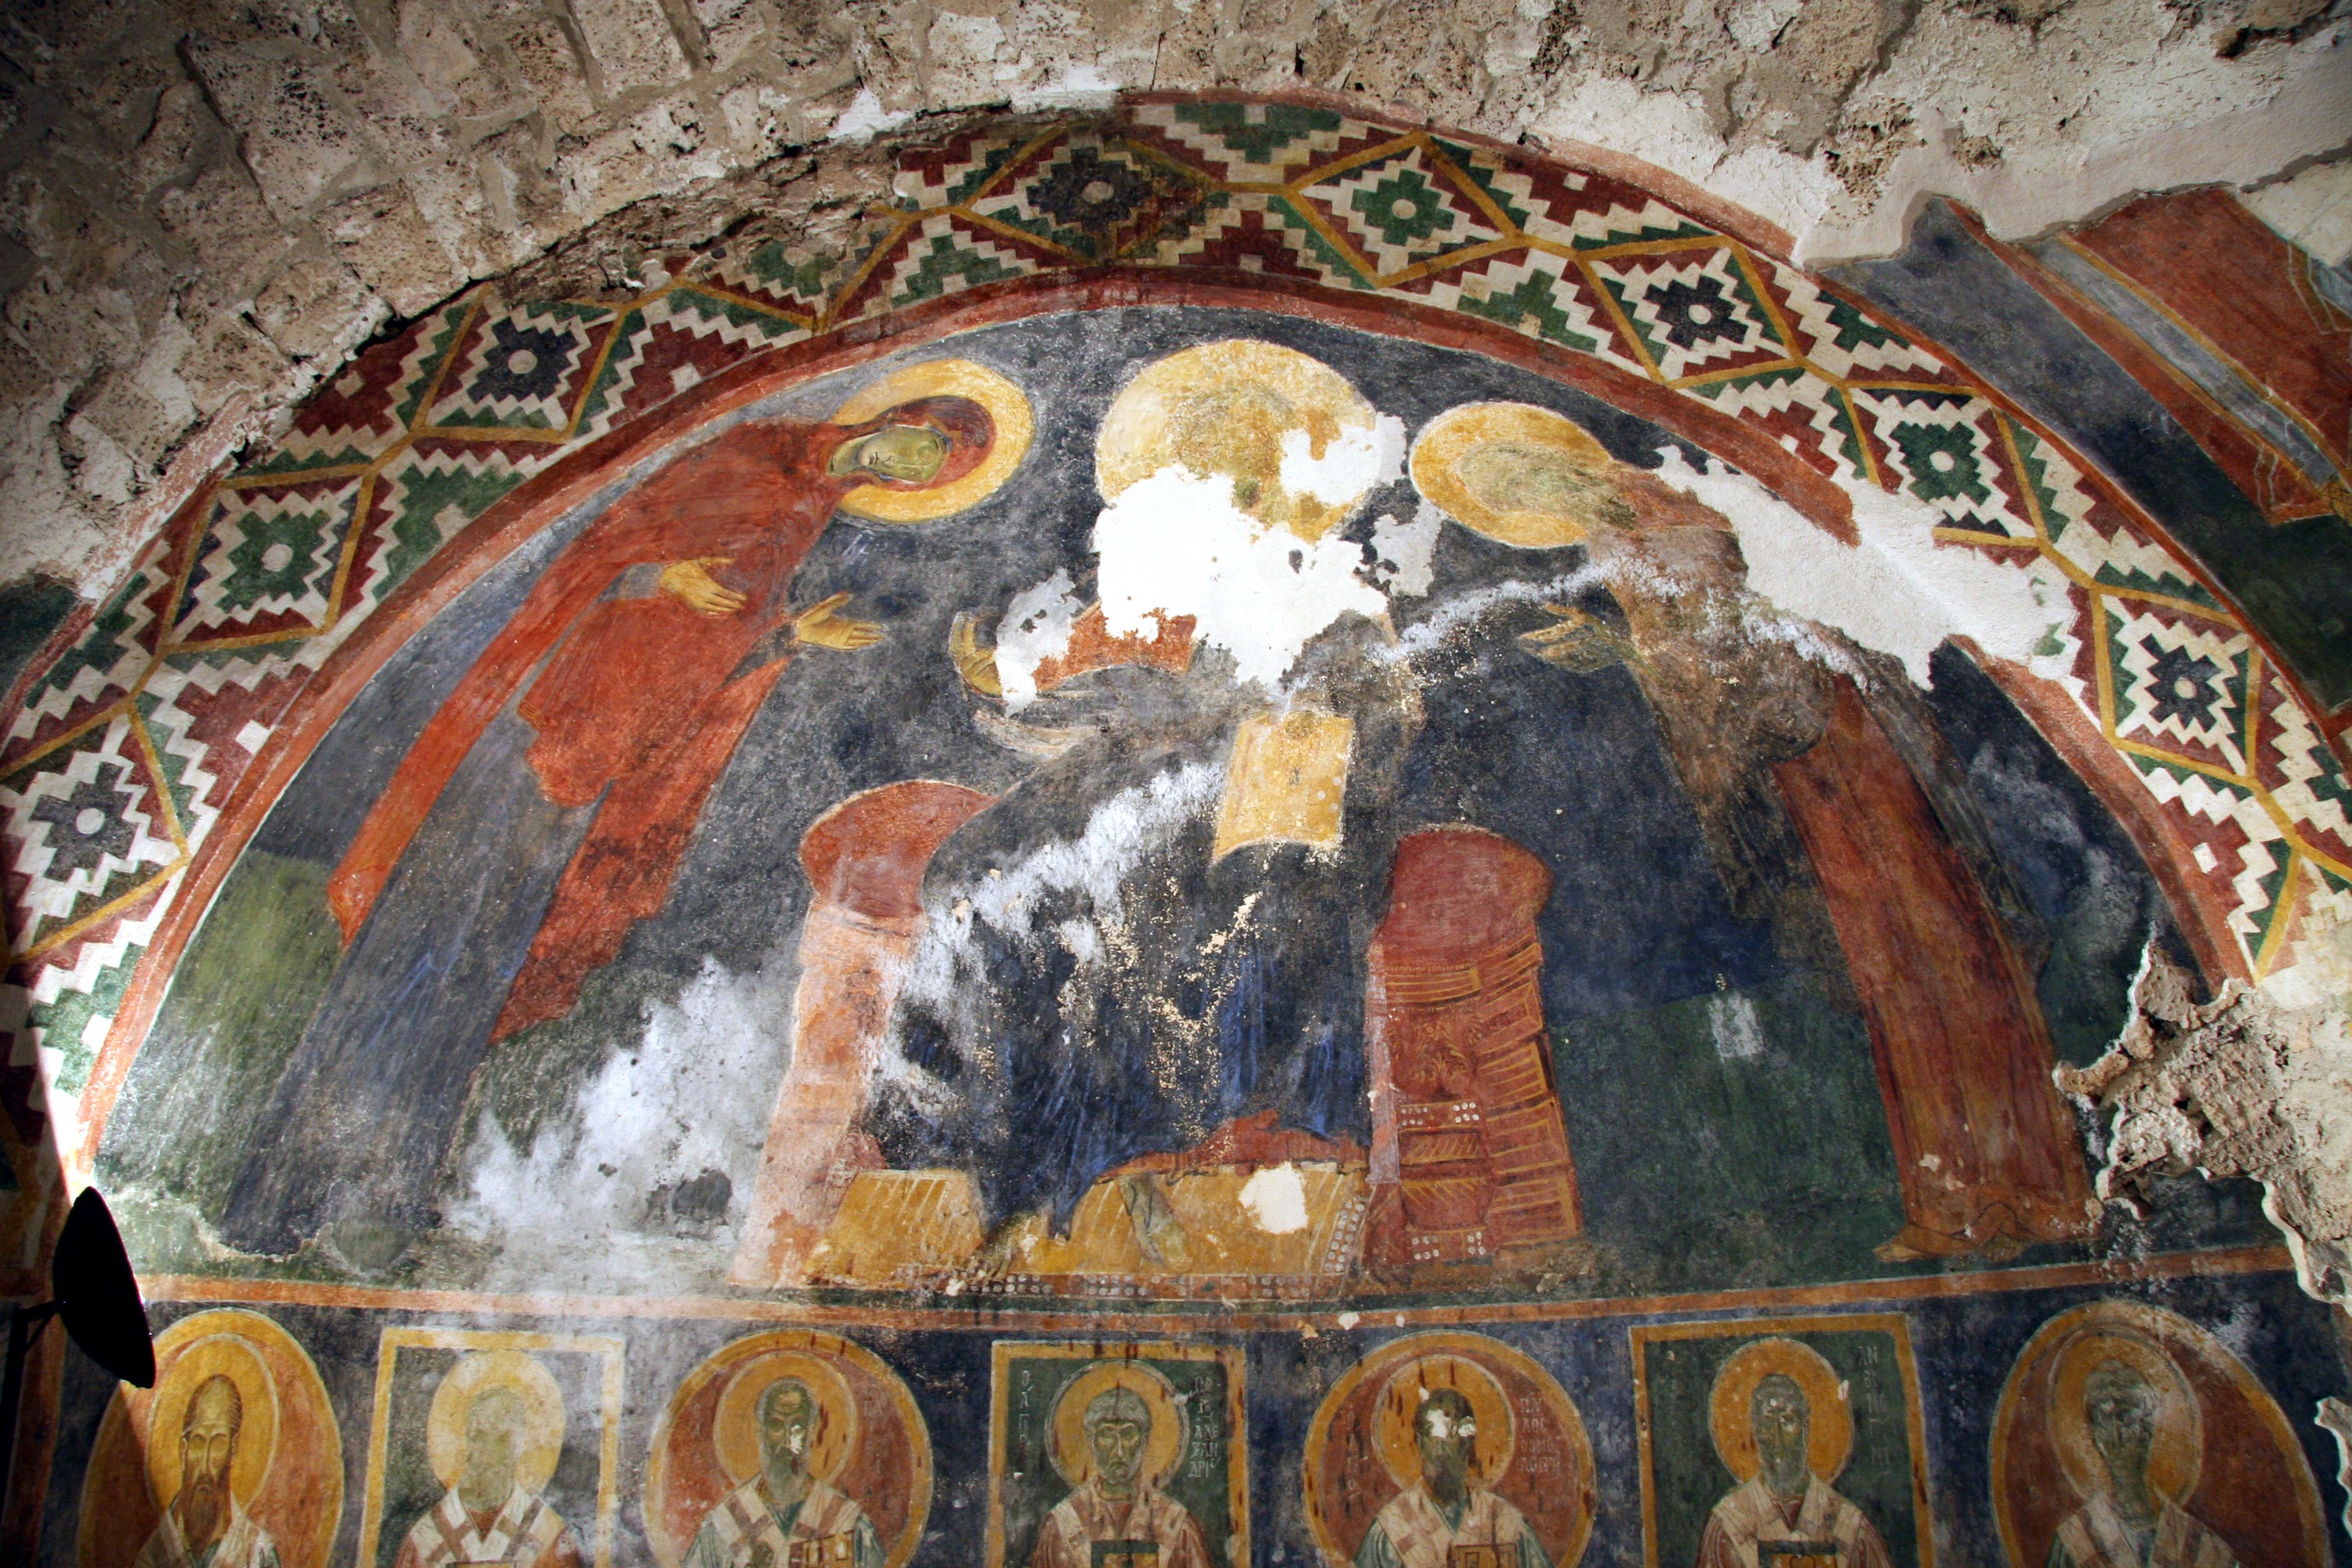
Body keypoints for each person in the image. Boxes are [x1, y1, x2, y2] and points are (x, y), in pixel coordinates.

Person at [216, 384, 1004, 1260]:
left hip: (598, 773)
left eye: (934, 466)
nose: (910, 466)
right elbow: (582, 566)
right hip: (529, 744)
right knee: (406, 955)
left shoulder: (808, 521)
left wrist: (785, 640)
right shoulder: (749, 456)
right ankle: (275, 1195)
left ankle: (390, 1197)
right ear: (896, 418)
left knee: (472, 982)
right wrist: (654, 574)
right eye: (922, 443)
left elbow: (698, 662)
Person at [1413, 402, 2096, 1262]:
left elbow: (1745, 629)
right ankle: (1953, 1199)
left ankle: (2040, 1187)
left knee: (1944, 944)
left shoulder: (1679, 508)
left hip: (1844, 739)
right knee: (1884, 964)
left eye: (1527, 475)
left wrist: (1630, 653)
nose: (1537, 497)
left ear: (1561, 459)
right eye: (1513, 493)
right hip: (1795, 764)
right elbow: (1693, 660)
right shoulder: (1611, 548)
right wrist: (1621, 652)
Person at [2047, 1359, 2238, 1568]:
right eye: (2103, 1420)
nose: (2116, 1435)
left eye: (2125, 1417)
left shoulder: (2197, 1543)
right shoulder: (2078, 1541)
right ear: (2093, 1436)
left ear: (2147, 1428)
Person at [1695, 1374, 1890, 1568]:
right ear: (1755, 1433)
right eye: (1767, 1423)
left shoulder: (1848, 1524)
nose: (1777, 1436)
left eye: (1788, 1421)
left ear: (1805, 1429)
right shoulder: (1730, 1522)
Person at [683, 1378, 884, 1568]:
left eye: (797, 1427)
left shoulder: (848, 1523)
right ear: (761, 1430)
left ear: (812, 1431)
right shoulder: (724, 1523)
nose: (787, 1441)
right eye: (776, 1425)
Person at [394, 1384, 583, 1568]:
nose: (490, 1452)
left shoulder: (547, 1533)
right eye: (480, 1436)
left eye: (503, 1439)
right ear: (466, 1441)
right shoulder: (426, 1537)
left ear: (521, 1447)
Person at [1357, 1386, 1547, 1568]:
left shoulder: (1504, 1522)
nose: (1441, 1452)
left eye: (1450, 1439)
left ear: (1468, 1443)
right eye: (1434, 1440)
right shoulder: (1393, 1525)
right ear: (1420, 1443)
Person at [1029, 1385, 1213, 1568]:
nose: (1118, 1451)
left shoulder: (1176, 1525)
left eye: (1128, 1434)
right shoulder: (1063, 1526)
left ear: (1144, 1440)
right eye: (1107, 1434)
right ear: (1092, 1441)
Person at [136, 1375, 281, 1568]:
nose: (205, 1464)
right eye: (198, 1441)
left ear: (233, 1449)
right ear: (183, 1449)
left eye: (218, 1443)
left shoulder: (257, 1555)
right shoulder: (153, 1557)